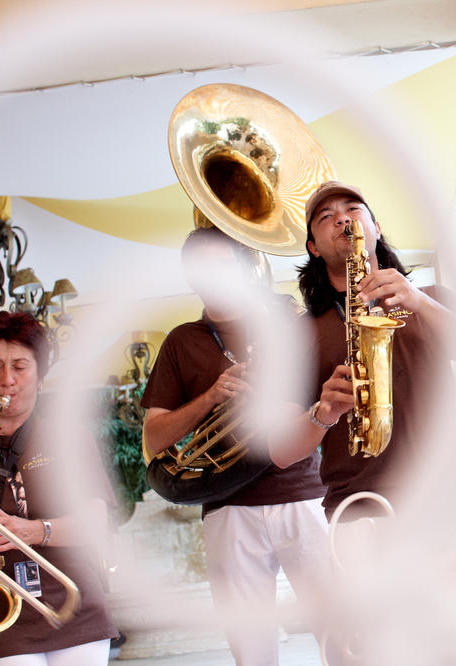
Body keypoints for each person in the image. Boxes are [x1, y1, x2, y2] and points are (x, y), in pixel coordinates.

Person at [141, 227, 328, 665]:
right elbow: (154, 438)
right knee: (251, 650)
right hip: (227, 505)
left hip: (303, 493)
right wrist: (211, 396)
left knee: (340, 628)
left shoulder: (287, 321)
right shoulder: (180, 341)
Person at [268, 181, 456, 518]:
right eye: (326, 217)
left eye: (352, 209)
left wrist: (419, 301)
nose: (342, 219)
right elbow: (280, 452)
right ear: (313, 247)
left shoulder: (432, 297)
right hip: (362, 510)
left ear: (376, 229)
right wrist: (323, 414)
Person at [0, 311, 117, 665]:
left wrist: (33, 531)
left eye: (21, 367)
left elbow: (95, 523)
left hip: (76, 613)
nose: (7, 380)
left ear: (40, 377)